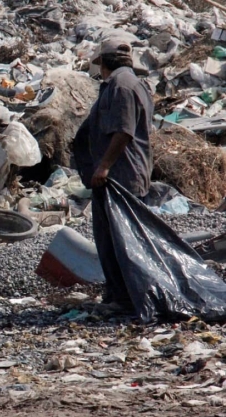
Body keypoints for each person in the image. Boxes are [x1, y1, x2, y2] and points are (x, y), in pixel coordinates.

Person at [74, 39, 154, 311]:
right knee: (113, 236)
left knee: (120, 239)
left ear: (104, 63)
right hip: (121, 174)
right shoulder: (127, 83)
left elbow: (124, 131)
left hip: (121, 175)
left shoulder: (121, 86)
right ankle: (119, 294)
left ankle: (125, 299)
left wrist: (104, 166)